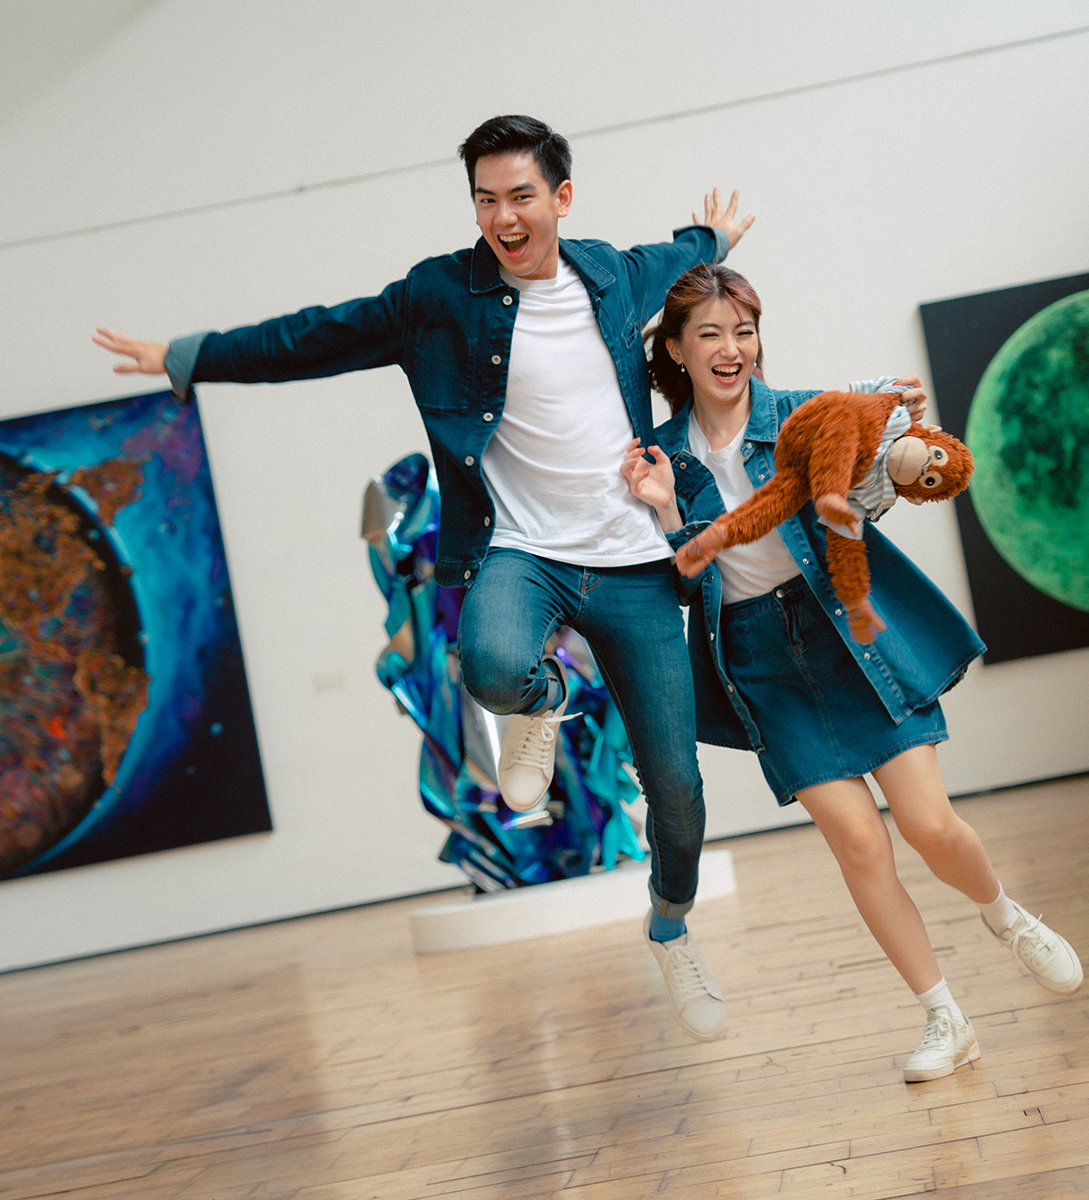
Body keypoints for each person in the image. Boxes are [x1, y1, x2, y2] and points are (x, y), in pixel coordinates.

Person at [94, 116, 753, 1043]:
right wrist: (192, 355)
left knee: (677, 793)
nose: (504, 218)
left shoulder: (609, 275)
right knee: (490, 665)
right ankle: (542, 701)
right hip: (522, 551)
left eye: (521, 196)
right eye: (485, 200)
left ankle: (671, 927)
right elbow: (315, 337)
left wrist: (711, 238)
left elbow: (672, 257)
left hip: (633, 561)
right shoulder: (440, 295)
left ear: (561, 198)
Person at [620, 264, 1084, 1080]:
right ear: (679, 351)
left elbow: (877, 476)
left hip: (848, 633)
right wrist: (663, 510)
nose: (732, 349)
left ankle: (1006, 917)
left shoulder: (804, 415)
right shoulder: (665, 457)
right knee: (862, 847)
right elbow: (686, 587)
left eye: (744, 332)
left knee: (930, 827)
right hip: (760, 660)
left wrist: (898, 434)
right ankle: (944, 1018)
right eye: (711, 335)